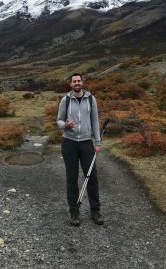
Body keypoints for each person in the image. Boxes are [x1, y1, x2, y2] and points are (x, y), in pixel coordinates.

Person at [57, 73, 104, 226]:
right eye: (74, 81)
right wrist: (65, 125)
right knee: (72, 178)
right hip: (69, 143)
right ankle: (74, 212)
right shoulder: (66, 99)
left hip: (86, 143)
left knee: (92, 178)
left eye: (79, 80)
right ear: (70, 84)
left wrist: (97, 142)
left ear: (82, 83)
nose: (77, 83)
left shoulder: (91, 99)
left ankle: (95, 211)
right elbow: (58, 120)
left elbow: (95, 121)